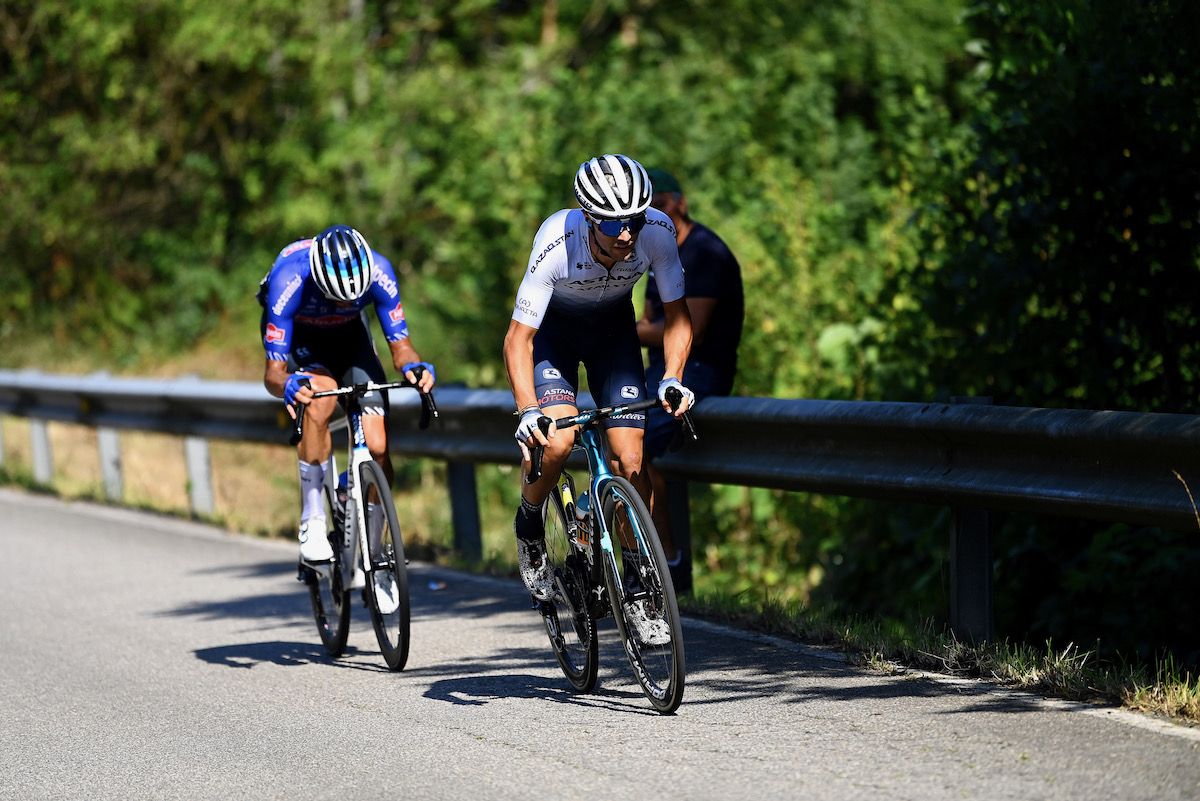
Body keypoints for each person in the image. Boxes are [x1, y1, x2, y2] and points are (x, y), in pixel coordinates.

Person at [503, 153, 695, 645]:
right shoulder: (556, 242)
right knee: (560, 442)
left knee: (632, 460)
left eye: (631, 220)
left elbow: (677, 317)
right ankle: (529, 526)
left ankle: (637, 584)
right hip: (554, 341)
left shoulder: (656, 231)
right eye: (612, 224)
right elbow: (518, 340)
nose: (626, 233)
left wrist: (672, 376)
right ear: (589, 217)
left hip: (614, 335)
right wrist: (528, 411)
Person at [258, 225, 436, 585]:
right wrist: (289, 384)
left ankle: (376, 556)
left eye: (349, 300)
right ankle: (312, 519)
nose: (341, 305)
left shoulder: (379, 273)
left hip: (351, 339)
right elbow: (272, 377)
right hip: (302, 342)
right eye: (335, 298)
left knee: (379, 445)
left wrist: (415, 367)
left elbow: (401, 348)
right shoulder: (288, 280)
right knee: (319, 403)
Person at [636, 168, 745, 594]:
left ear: (679, 202)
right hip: (659, 369)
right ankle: (646, 559)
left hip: (701, 370)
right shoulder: (654, 247)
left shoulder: (704, 252)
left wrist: (621, 330)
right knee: (623, 440)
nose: (653, 215)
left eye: (660, 204)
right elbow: (651, 322)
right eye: (644, 211)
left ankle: (668, 561)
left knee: (636, 446)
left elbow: (690, 330)